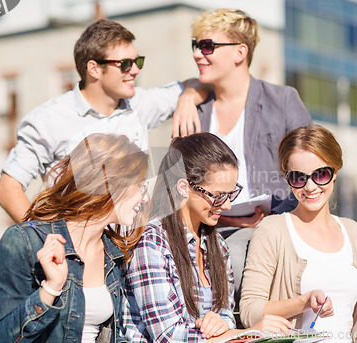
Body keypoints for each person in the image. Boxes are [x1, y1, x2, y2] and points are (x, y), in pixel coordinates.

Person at [0, 19, 205, 223]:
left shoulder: (139, 104)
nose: (135, 70)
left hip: (136, 246)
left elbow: (200, 84)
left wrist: (187, 98)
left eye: (137, 61)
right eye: (125, 64)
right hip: (82, 251)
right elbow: (7, 188)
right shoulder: (47, 120)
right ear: (94, 69)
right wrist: (44, 239)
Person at [188, 8, 313, 295]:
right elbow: (173, 186)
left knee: (237, 253)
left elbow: (312, 169)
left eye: (207, 45)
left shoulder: (282, 100)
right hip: (206, 228)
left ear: (240, 52)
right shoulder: (193, 111)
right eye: (195, 45)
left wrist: (274, 220)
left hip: (269, 226)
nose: (197, 53)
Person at [122, 133, 292, 342]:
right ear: (184, 187)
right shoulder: (151, 243)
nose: (227, 206)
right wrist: (246, 333)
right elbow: (167, 336)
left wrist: (222, 325)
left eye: (231, 194)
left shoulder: (217, 245)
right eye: (218, 196)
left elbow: (226, 317)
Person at [0, 133, 150, 342]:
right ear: (111, 184)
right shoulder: (25, 241)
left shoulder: (113, 252)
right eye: (140, 186)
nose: (145, 198)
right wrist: (50, 289)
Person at [240, 125, 357, 343]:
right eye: (298, 177)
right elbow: (249, 311)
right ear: (286, 177)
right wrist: (303, 302)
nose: (310, 186)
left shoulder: (354, 231)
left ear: (335, 172)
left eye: (321, 174)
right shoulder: (272, 230)